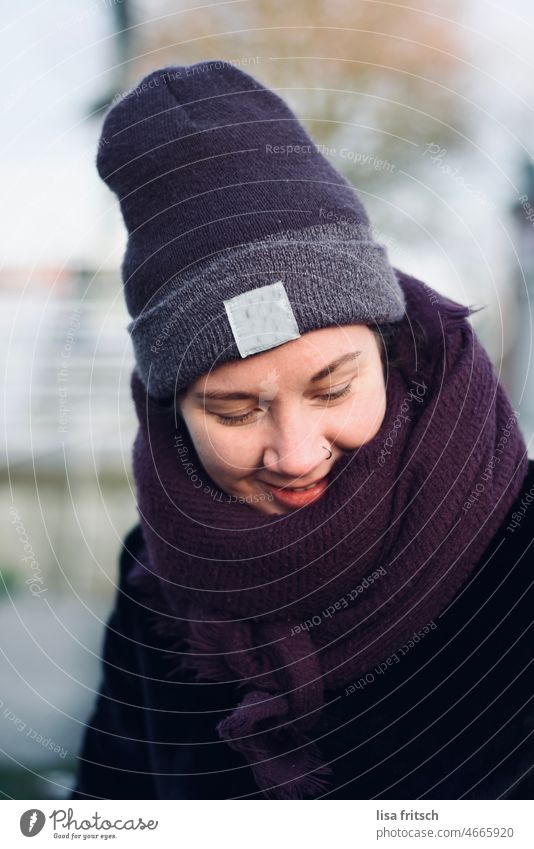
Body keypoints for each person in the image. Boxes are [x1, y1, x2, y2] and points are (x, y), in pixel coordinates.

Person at [71, 60, 534, 800]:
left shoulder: (519, 548)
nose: (296, 453)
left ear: (391, 355)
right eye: (235, 410)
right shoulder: (156, 589)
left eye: (334, 387)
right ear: (171, 413)